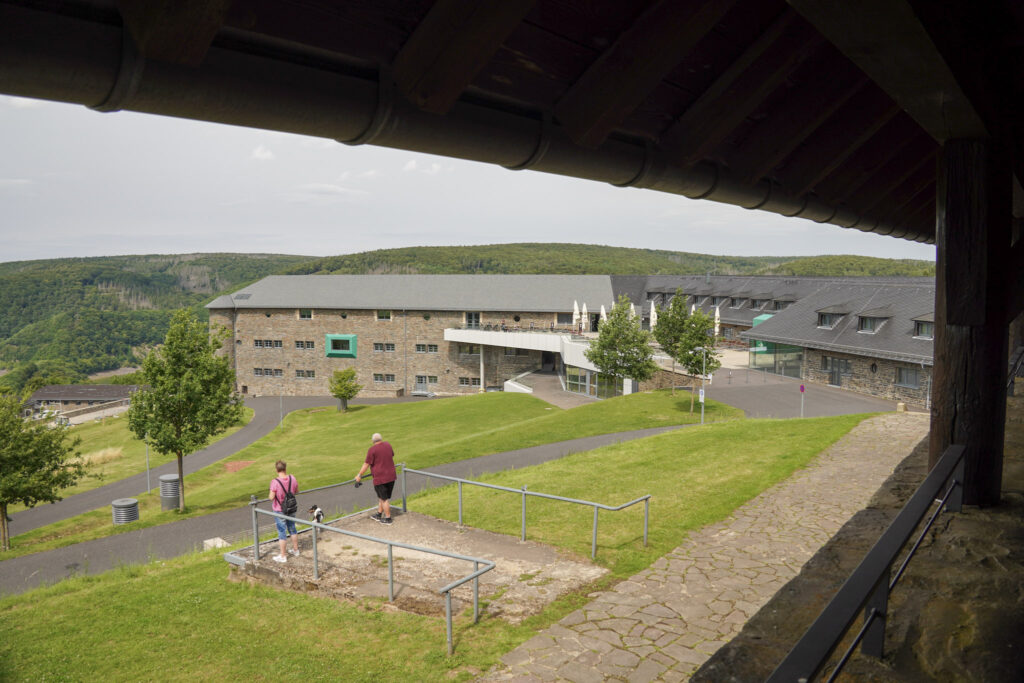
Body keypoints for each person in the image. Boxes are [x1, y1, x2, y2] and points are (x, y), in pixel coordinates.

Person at [355, 432, 396, 525]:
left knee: (384, 499)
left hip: (380, 478)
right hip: (391, 476)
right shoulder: (388, 445)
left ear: (372, 441)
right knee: (382, 497)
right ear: (381, 439)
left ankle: (388, 518)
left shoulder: (372, 450)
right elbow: (391, 455)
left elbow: (366, 464)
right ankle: (379, 514)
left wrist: (359, 475)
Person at [269, 460, 300, 562]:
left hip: (279, 510)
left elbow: (271, 497)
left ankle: (283, 555)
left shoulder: (275, 482)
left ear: (276, 470)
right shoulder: (292, 478)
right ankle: (296, 550)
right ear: (285, 468)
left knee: (282, 532)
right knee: (292, 528)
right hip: (291, 507)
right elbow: (296, 491)